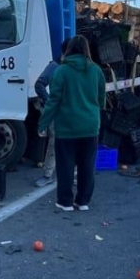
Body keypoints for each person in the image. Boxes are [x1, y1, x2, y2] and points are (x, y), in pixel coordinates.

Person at [38, 35, 106, 212]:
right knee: (86, 166)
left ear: (67, 51)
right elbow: (101, 99)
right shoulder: (96, 71)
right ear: (86, 50)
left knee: (65, 166)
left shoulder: (61, 71)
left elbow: (53, 101)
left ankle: (65, 201)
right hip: (90, 126)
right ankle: (83, 201)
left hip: (66, 128)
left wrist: (43, 123)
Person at [33, 38, 72, 188]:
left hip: (73, 112)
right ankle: (48, 175)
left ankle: (73, 174)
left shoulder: (76, 68)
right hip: (59, 113)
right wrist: (49, 101)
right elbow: (40, 84)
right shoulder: (55, 66)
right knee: (54, 143)